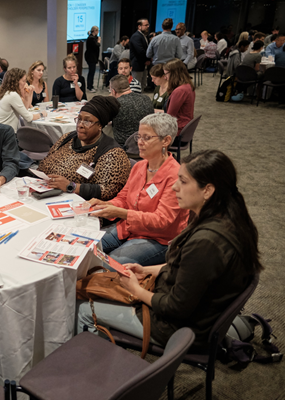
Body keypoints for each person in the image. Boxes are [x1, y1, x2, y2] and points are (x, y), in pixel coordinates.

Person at [78, 149, 262, 352]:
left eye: (183, 181)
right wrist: (147, 270)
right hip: (190, 311)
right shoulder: (227, 216)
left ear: (207, 191)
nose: (175, 187)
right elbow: (187, 268)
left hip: (179, 328)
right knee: (102, 287)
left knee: (82, 308)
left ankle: (99, 374)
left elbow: (176, 307)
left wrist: (136, 291)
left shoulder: (207, 242)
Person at [89, 113, 189, 266]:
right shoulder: (140, 166)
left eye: (147, 138)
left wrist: (121, 213)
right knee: (85, 247)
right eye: (139, 137)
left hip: (159, 239)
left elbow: (162, 221)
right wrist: (106, 205)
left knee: (108, 265)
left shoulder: (175, 176)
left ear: (166, 141)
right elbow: (123, 197)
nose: (140, 143)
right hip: (131, 228)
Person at [39, 95, 130, 200]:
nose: (80, 125)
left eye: (87, 121)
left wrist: (71, 186)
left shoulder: (112, 152)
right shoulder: (67, 138)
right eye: (79, 119)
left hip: (81, 205)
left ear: (100, 125)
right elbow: (44, 163)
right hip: (47, 192)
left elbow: (108, 190)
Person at [0, 68, 46, 133]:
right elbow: (28, 118)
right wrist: (41, 114)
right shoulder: (13, 95)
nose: (25, 84)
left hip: (0, 130)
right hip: (7, 133)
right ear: (16, 82)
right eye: (23, 81)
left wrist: (27, 94)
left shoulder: (5, 92)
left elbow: (25, 109)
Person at [109, 75, 154, 146]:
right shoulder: (146, 99)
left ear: (113, 91)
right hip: (148, 144)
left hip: (123, 147)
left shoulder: (115, 105)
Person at [163, 59, 195, 137]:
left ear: (173, 74)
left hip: (178, 129)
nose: (165, 78)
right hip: (185, 127)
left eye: (166, 74)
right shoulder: (188, 85)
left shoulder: (180, 91)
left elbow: (169, 117)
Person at [129, 18, 151, 89]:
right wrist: (147, 59)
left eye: (148, 24)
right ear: (139, 26)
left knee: (143, 85)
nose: (148, 26)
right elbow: (140, 51)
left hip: (142, 65)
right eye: (146, 25)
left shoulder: (143, 36)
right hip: (137, 65)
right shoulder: (136, 36)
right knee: (136, 86)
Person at [85, 26, 101, 93]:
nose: (98, 32)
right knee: (91, 72)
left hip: (92, 57)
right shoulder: (91, 38)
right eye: (97, 31)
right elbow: (96, 45)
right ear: (95, 31)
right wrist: (99, 41)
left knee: (92, 72)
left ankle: (90, 85)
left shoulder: (92, 37)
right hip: (91, 57)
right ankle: (89, 87)